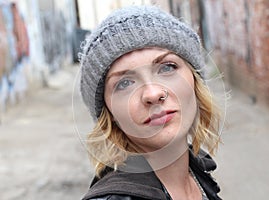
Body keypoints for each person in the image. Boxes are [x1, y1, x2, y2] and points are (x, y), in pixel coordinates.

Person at [79, 5, 222, 200]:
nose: (153, 94)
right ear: (109, 113)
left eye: (167, 68)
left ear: (195, 82)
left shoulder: (199, 174)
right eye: (125, 83)